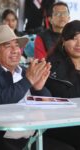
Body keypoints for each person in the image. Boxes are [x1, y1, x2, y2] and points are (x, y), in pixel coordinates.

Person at [0, 25, 75, 150]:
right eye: (8, 46)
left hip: (33, 136)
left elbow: (48, 104)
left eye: (17, 45)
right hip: (3, 141)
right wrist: (28, 81)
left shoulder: (25, 71)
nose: (15, 50)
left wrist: (39, 88)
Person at [44, 20, 80, 150]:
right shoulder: (53, 66)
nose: (79, 43)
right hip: (61, 124)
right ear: (63, 41)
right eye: (74, 38)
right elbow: (67, 97)